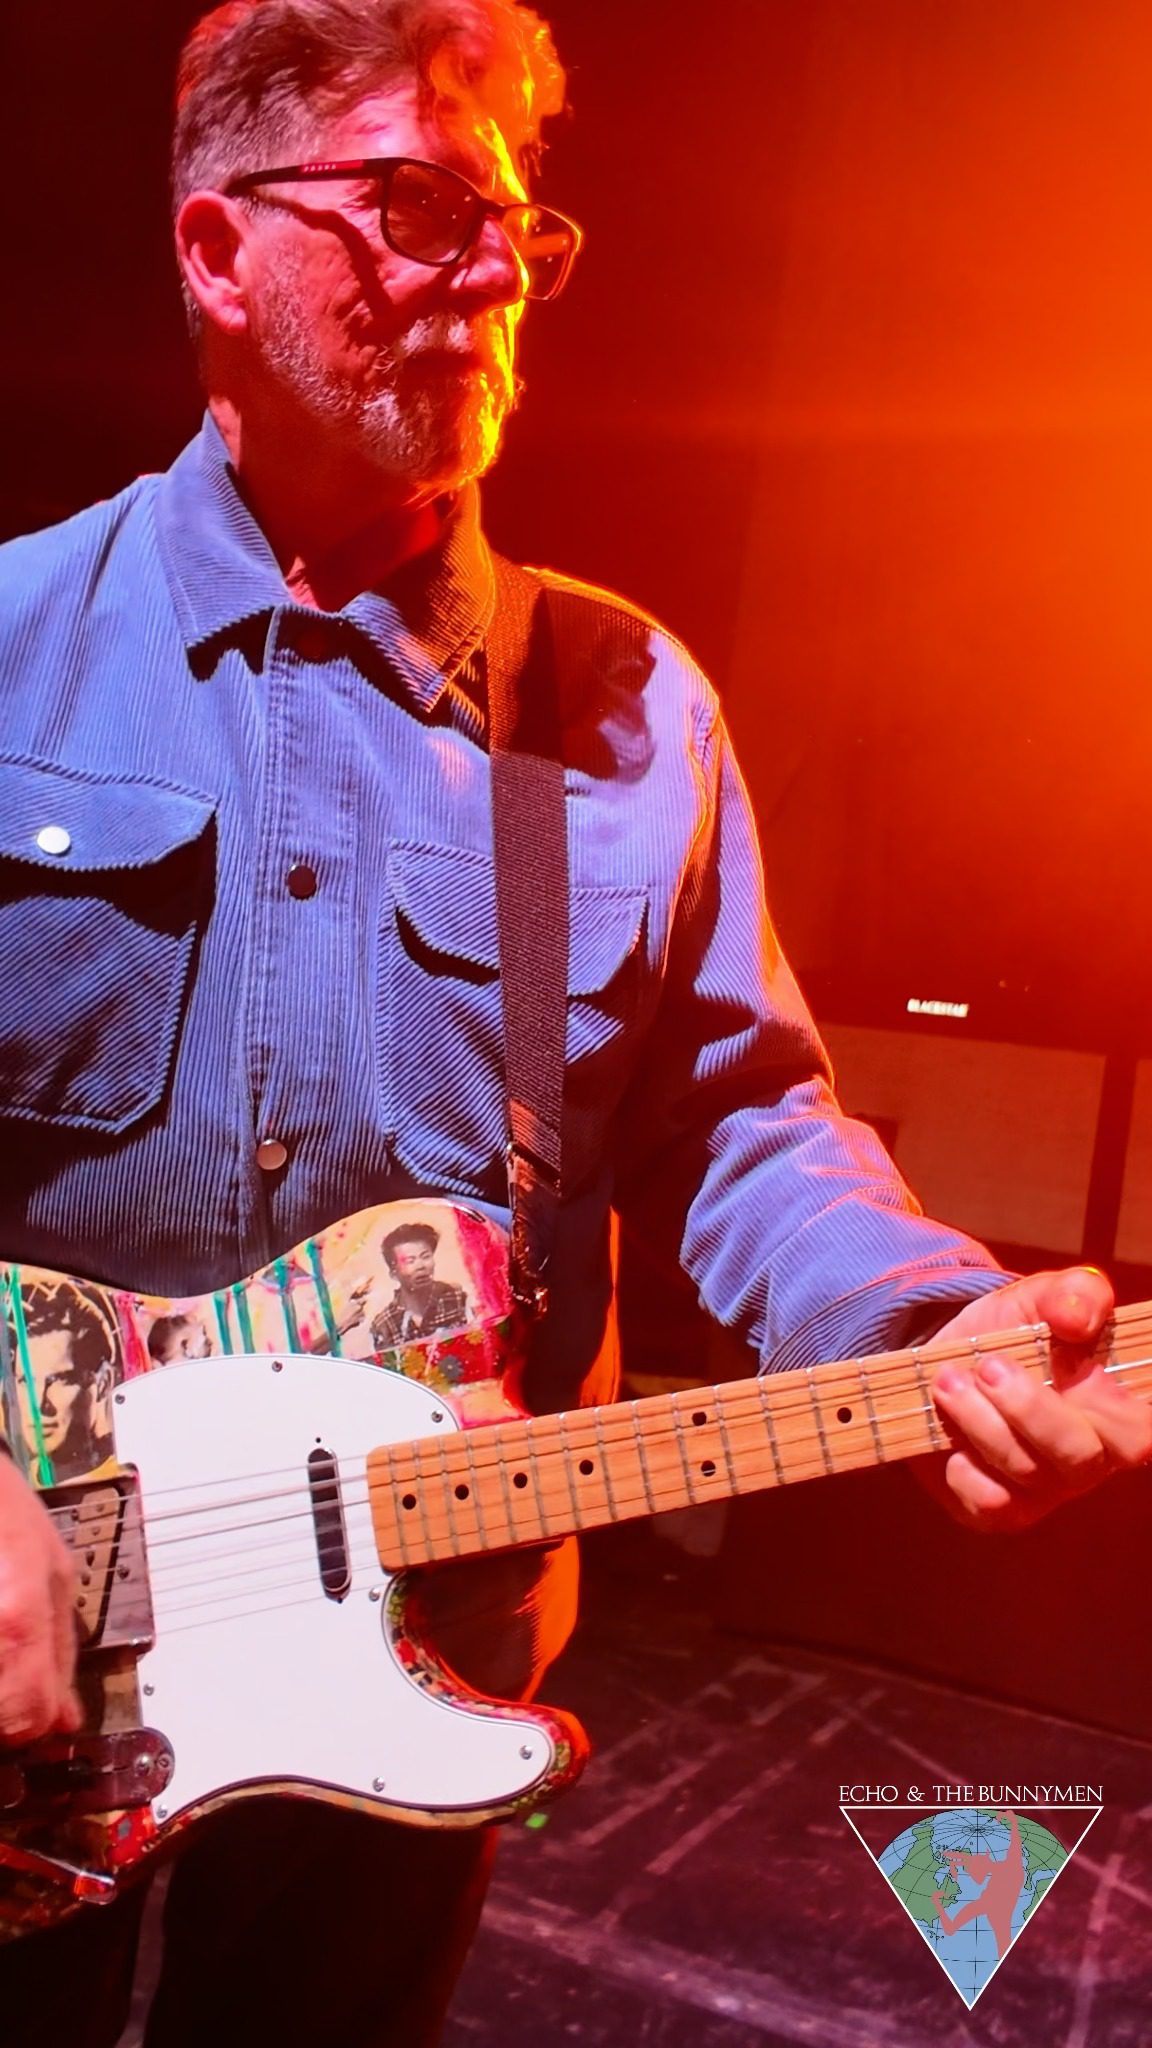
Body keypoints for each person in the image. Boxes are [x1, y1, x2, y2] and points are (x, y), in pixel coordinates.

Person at [0, 1, 1147, 2042]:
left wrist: (926, 1319)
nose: (491, 279)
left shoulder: (627, 715)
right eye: (414, 207)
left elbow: (741, 1120)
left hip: (425, 1652)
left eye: (517, 230)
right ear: (216, 249)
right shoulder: (12, 647)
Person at [7, 1283, 117, 1485]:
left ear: (103, 1384)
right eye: (26, 1381)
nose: (38, 1405)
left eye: (59, 1379)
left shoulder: (125, 1478)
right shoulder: (16, 1481)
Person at [371, 1222, 471, 1343]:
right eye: (410, 1261)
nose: (420, 1266)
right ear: (393, 1273)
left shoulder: (458, 1299)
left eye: (425, 1256)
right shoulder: (384, 1324)